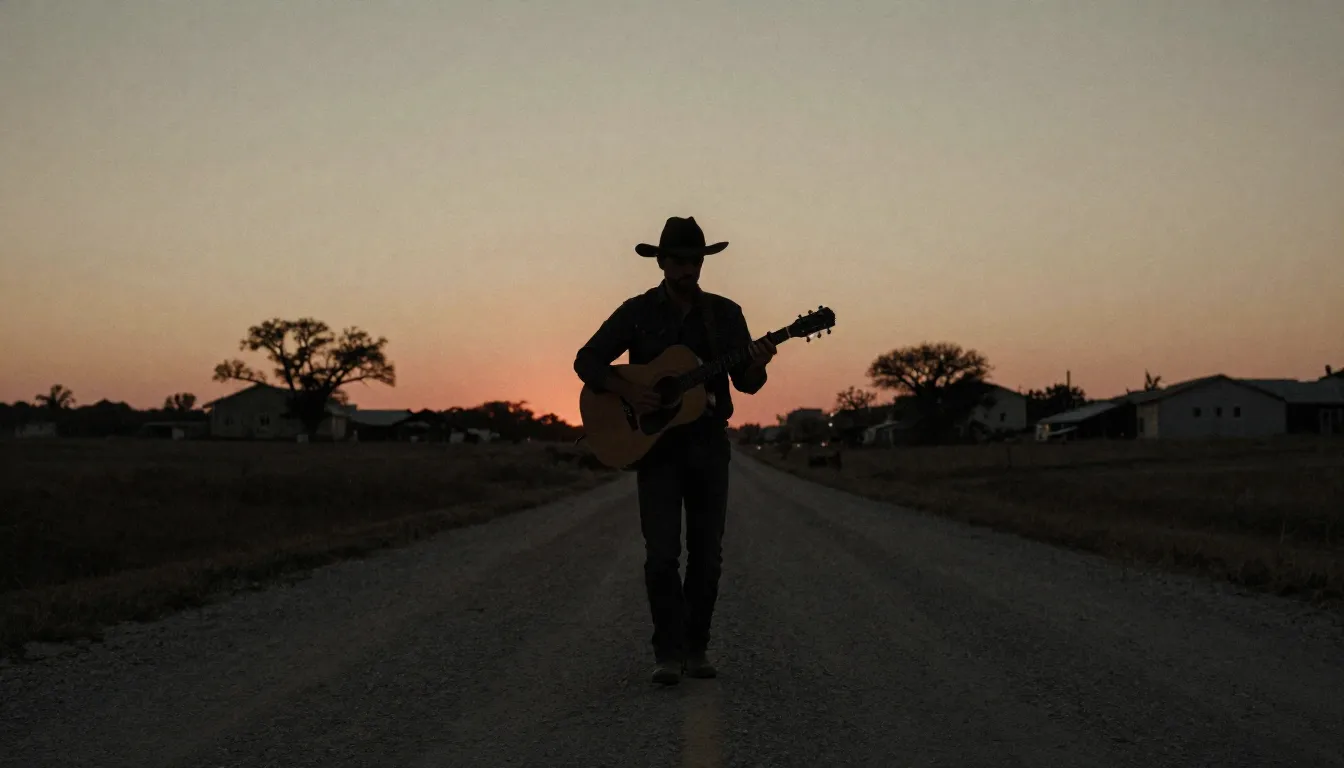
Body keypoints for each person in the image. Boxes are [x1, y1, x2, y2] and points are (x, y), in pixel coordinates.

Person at [573, 215, 776, 685]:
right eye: (680, 261)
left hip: (708, 443)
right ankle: (667, 654)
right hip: (656, 449)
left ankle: (696, 649)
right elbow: (587, 360)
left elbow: (746, 384)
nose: (689, 269)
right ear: (661, 262)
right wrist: (628, 390)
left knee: (708, 555)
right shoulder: (637, 312)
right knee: (662, 554)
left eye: (696, 261)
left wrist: (758, 363)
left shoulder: (725, 314)